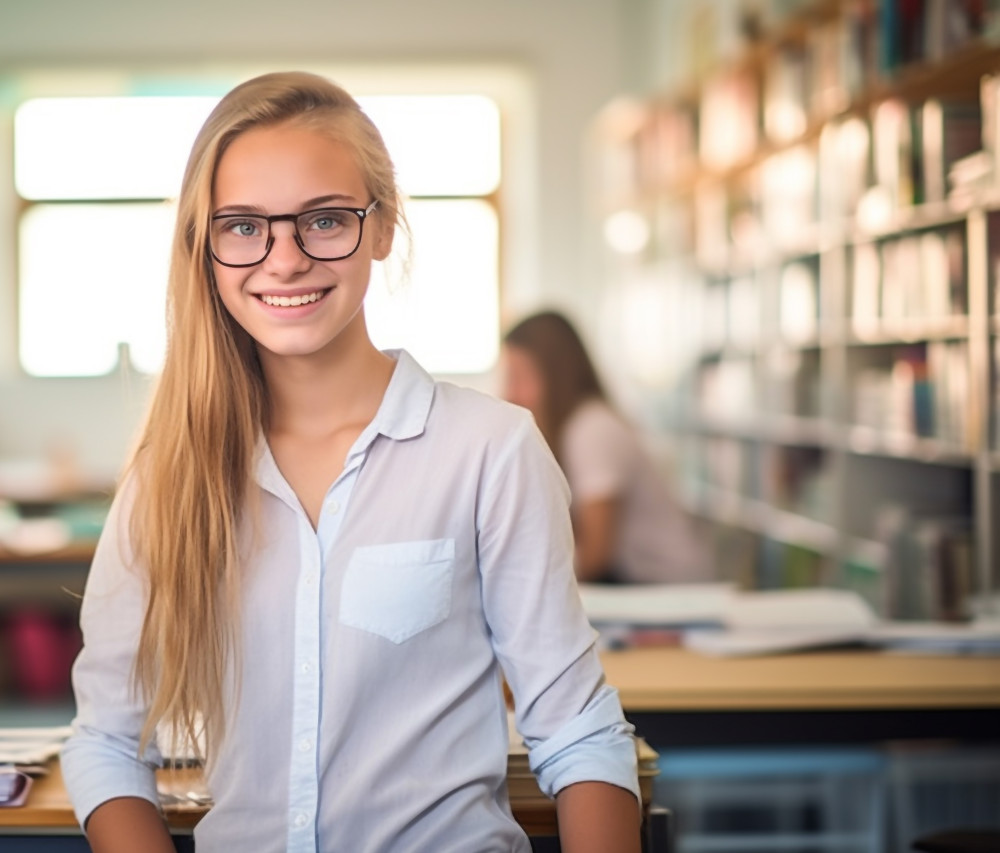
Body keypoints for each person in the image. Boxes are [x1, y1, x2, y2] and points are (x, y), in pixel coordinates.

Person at [61, 72, 641, 853]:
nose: (286, 259)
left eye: (325, 220)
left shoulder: (490, 451)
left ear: (382, 226)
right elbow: (105, 740)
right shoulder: (170, 475)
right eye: (243, 227)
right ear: (206, 244)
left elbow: (576, 728)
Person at [501, 311, 712, 585]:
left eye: (520, 377)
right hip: (638, 585)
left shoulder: (593, 429)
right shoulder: (573, 428)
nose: (509, 394)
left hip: (667, 591)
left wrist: (517, 575)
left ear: (554, 376)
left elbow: (595, 556)